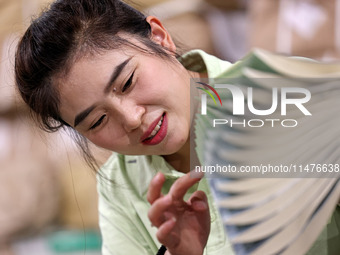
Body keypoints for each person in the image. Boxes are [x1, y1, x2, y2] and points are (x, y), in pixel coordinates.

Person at [14, 0, 233, 254]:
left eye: (128, 82)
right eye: (97, 121)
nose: (131, 119)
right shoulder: (119, 186)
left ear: (161, 39)